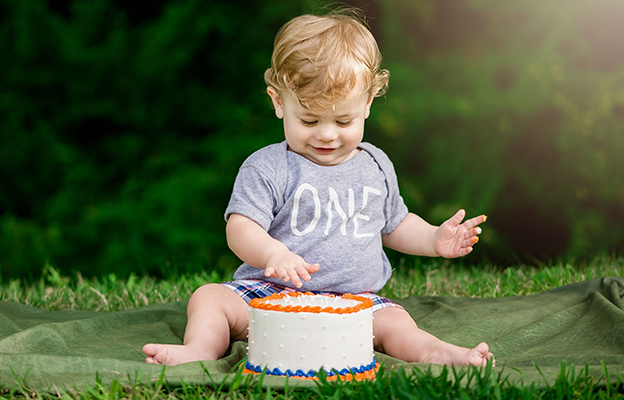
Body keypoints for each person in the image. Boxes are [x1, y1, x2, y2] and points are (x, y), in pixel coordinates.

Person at [143, 8, 493, 367]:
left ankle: (445, 355)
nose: (327, 134)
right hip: (270, 297)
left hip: (355, 304)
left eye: (344, 120)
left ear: (368, 104)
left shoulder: (375, 165)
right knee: (209, 298)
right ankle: (199, 351)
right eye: (309, 119)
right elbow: (240, 228)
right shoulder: (269, 167)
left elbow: (394, 225)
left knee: (398, 324)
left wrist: (434, 238)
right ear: (279, 103)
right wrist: (272, 255)